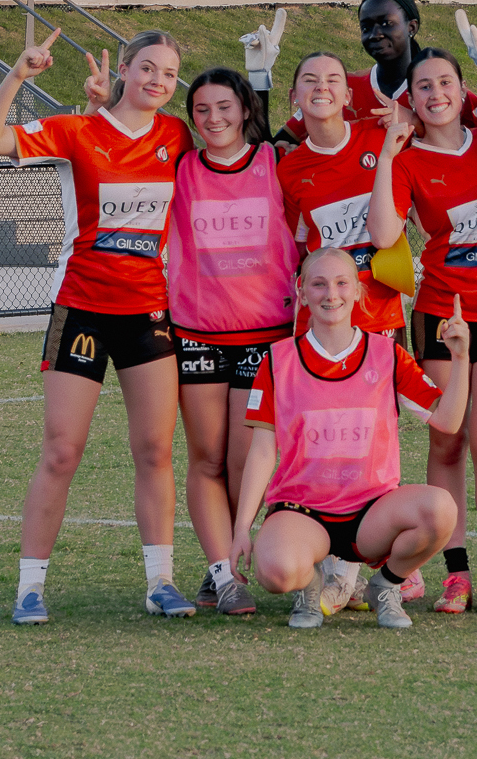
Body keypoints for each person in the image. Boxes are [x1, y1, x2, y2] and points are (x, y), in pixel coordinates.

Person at [0, 24, 192, 624]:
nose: (157, 81)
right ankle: (30, 587)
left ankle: (161, 582)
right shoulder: (77, 130)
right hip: (82, 308)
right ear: (124, 68)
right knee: (62, 451)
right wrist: (20, 73)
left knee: (155, 449)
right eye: (147, 68)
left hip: (149, 312)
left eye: (169, 74)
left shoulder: (177, 134)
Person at [230, 247, 467, 631]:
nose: (331, 294)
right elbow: (260, 452)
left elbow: (448, 421)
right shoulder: (278, 360)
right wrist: (242, 529)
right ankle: (310, 587)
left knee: (441, 509)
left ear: (359, 292)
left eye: (342, 283)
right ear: (301, 292)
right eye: (318, 284)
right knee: (275, 571)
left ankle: (385, 585)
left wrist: (461, 360)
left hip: (370, 514)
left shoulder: (386, 354)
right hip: (302, 510)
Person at [369, 46, 477, 613]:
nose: (436, 94)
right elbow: (383, 232)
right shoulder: (409, 159)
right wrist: (389, 154)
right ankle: (455, 575)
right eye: (423, 87)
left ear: (464, 92)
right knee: (447, 437)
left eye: (446, 83)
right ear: (408, 99)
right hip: (442, 314)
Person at [271, 48, 411, 612]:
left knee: (376, 442)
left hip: (379, 321)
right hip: (321, 326)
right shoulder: (289, 166)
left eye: (332, 79)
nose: (322, 87)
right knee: (324, 440)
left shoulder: (382, 144)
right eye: (309, 80)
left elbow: (436, 101)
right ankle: (332, 562)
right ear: (295, 98)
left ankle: (370, 564)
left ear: (350, 95)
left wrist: (396, 129)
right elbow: (290, 247)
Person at [165, 65, 298, 618]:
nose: (214, 118)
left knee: (246, 464)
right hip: (196, 331)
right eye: (201, 110)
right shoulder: (179, 169)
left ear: (246, 109)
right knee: (206, 459)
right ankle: (223, 575)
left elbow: (330, 118)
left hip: (263, 335)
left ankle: (230, 553)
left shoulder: (277, 162)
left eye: (225, 107)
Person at [236, 0, 477, 122]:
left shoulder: (443, 91)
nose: (375, 34)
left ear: (411, 27)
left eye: (387, 23)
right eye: (366, 27)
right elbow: (266, 154)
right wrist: (259, 79)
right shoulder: (342, 90)